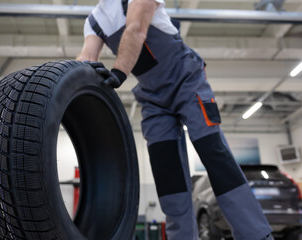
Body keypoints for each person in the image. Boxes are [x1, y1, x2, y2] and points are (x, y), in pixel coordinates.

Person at [77, 0, 273, 239]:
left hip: (186, 80)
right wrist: (65, 85)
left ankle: (255, 235)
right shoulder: (94, 20)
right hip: (152, 97)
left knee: (214, 154)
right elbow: (87, 57)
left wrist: (118, 72)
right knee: (167, 173)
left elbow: (136, 28)